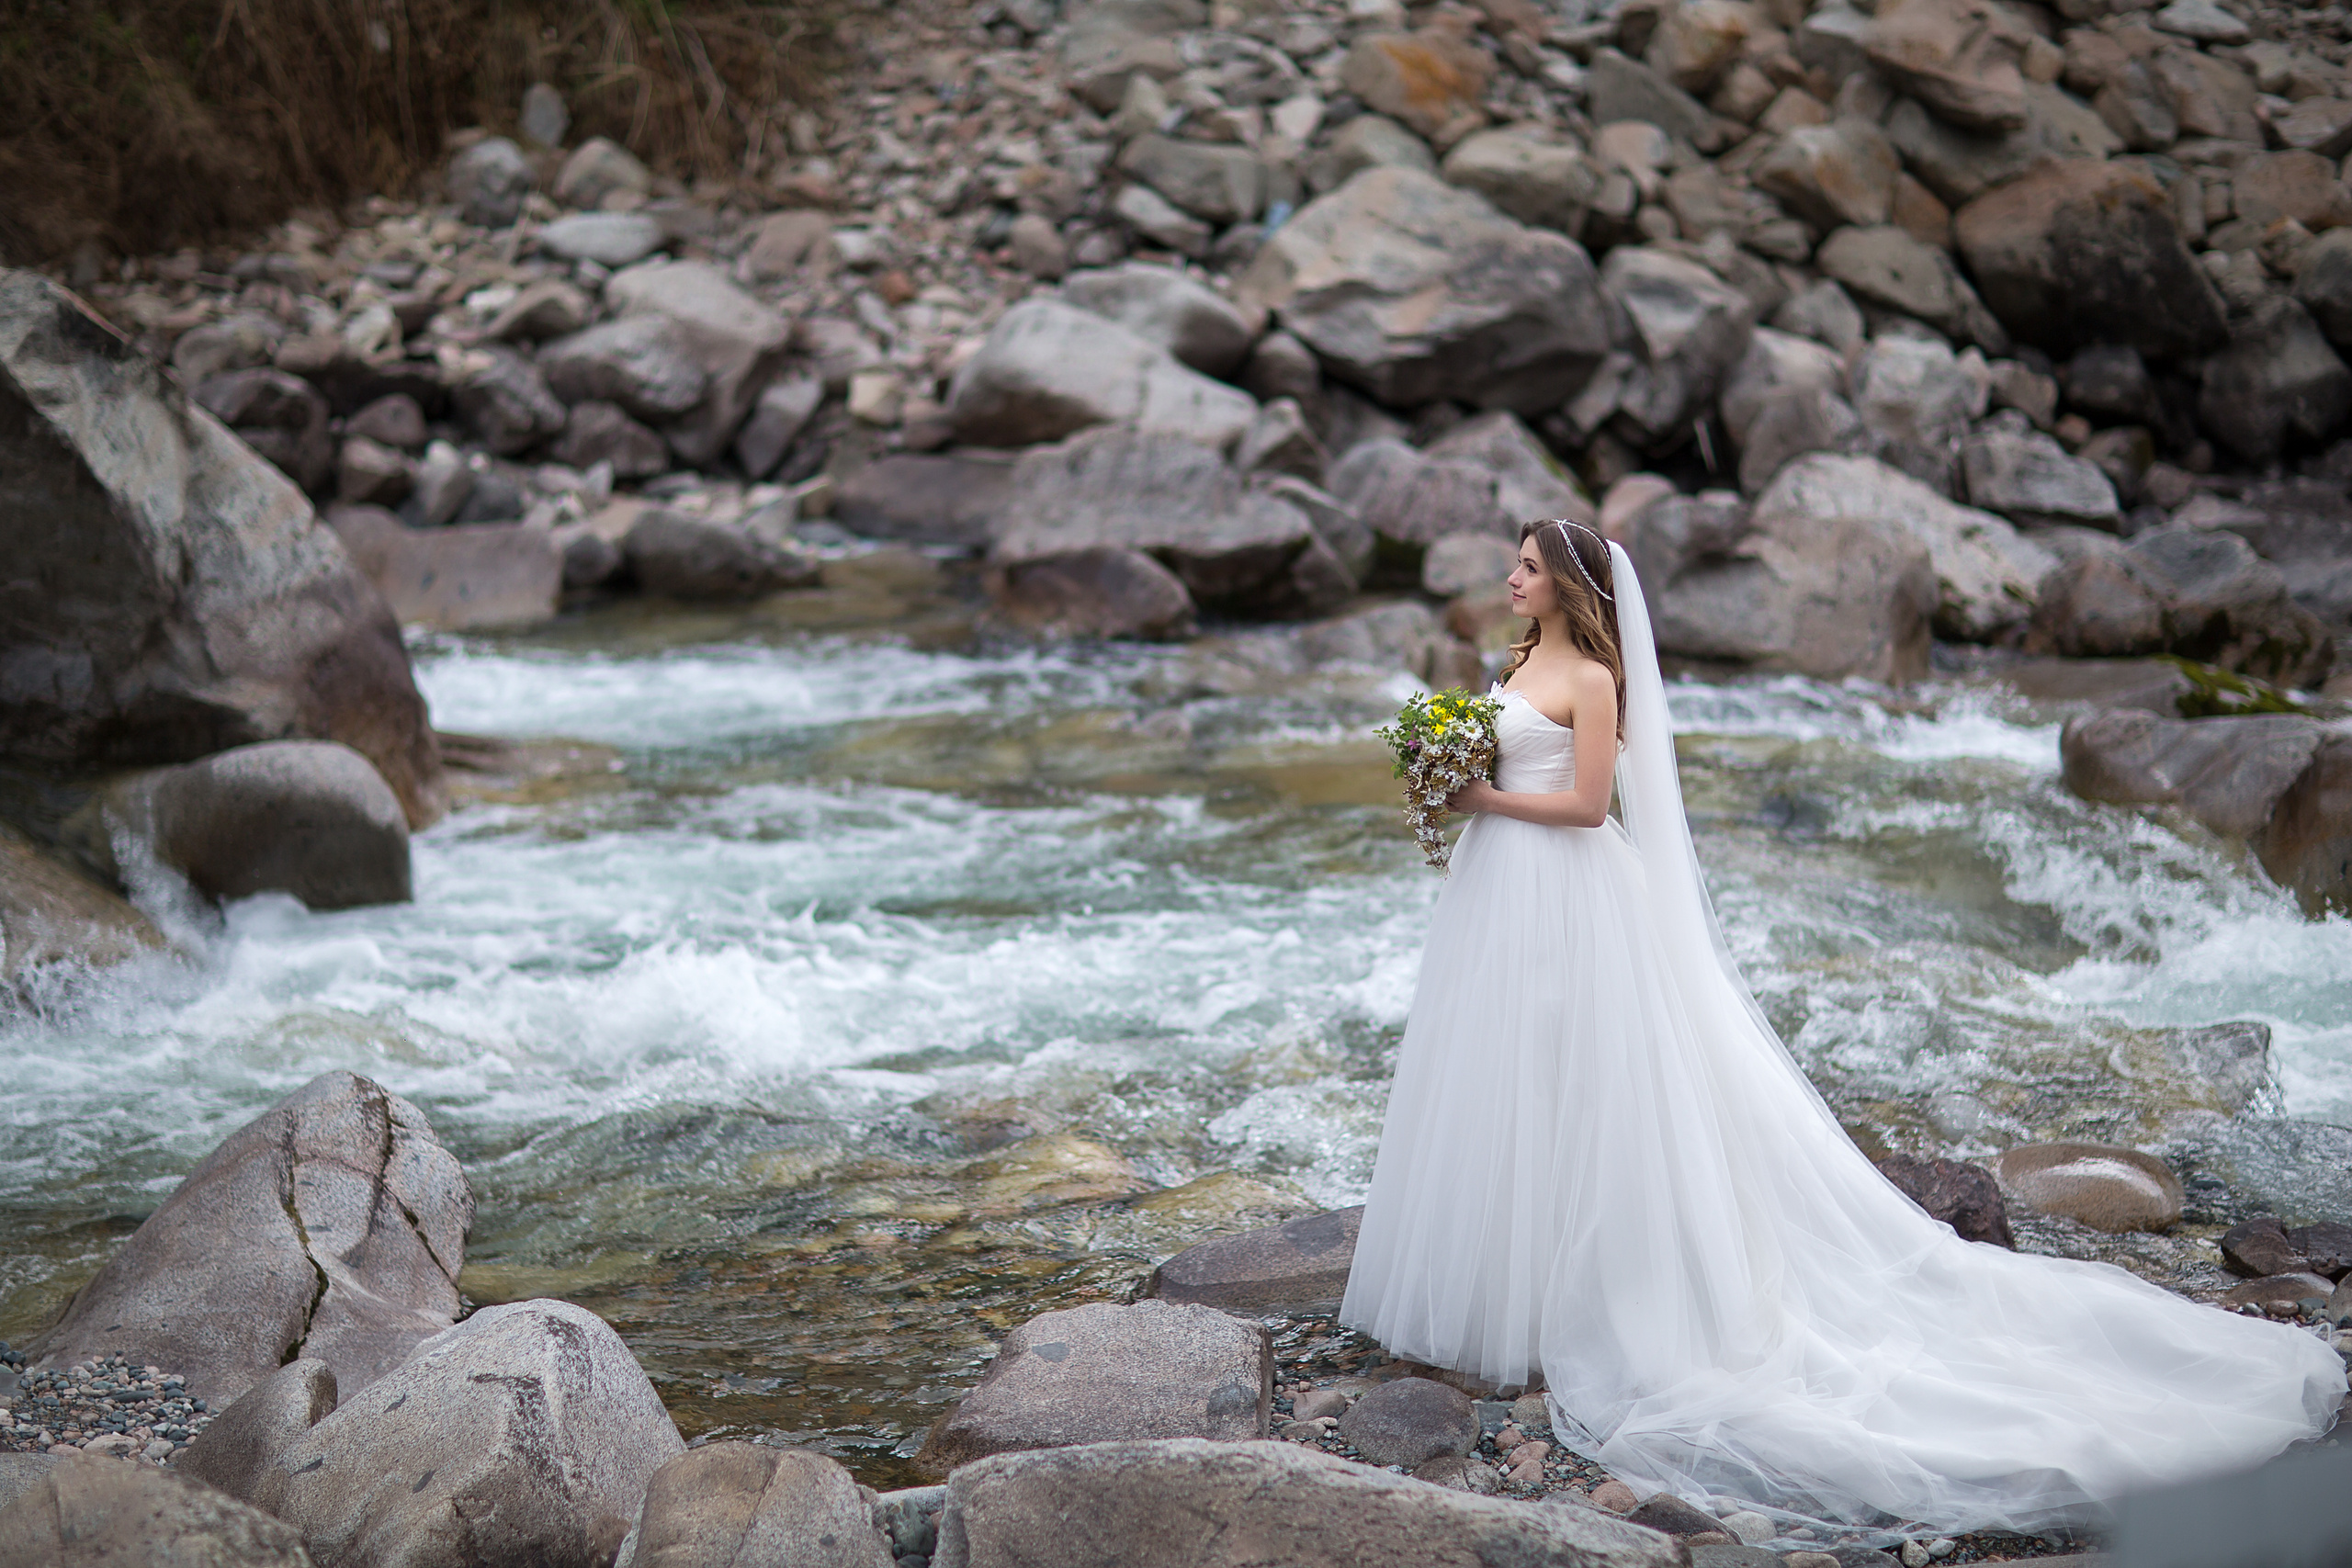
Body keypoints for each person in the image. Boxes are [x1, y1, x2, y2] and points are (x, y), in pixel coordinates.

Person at [1338, 517, 2346, 1538]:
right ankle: (1511, 1295)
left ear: (1568, 585)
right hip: (1502, 892)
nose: (1509, 577)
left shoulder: (1593, 683)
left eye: (1526, 566)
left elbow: (1594, 806)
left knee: (1582, 1078)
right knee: (1508, 1074)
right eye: (1512, 561)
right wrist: (1452, 777)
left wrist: (1480, 796)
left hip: (1567, 890)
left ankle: (1600, 1297)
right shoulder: (1517, 663)